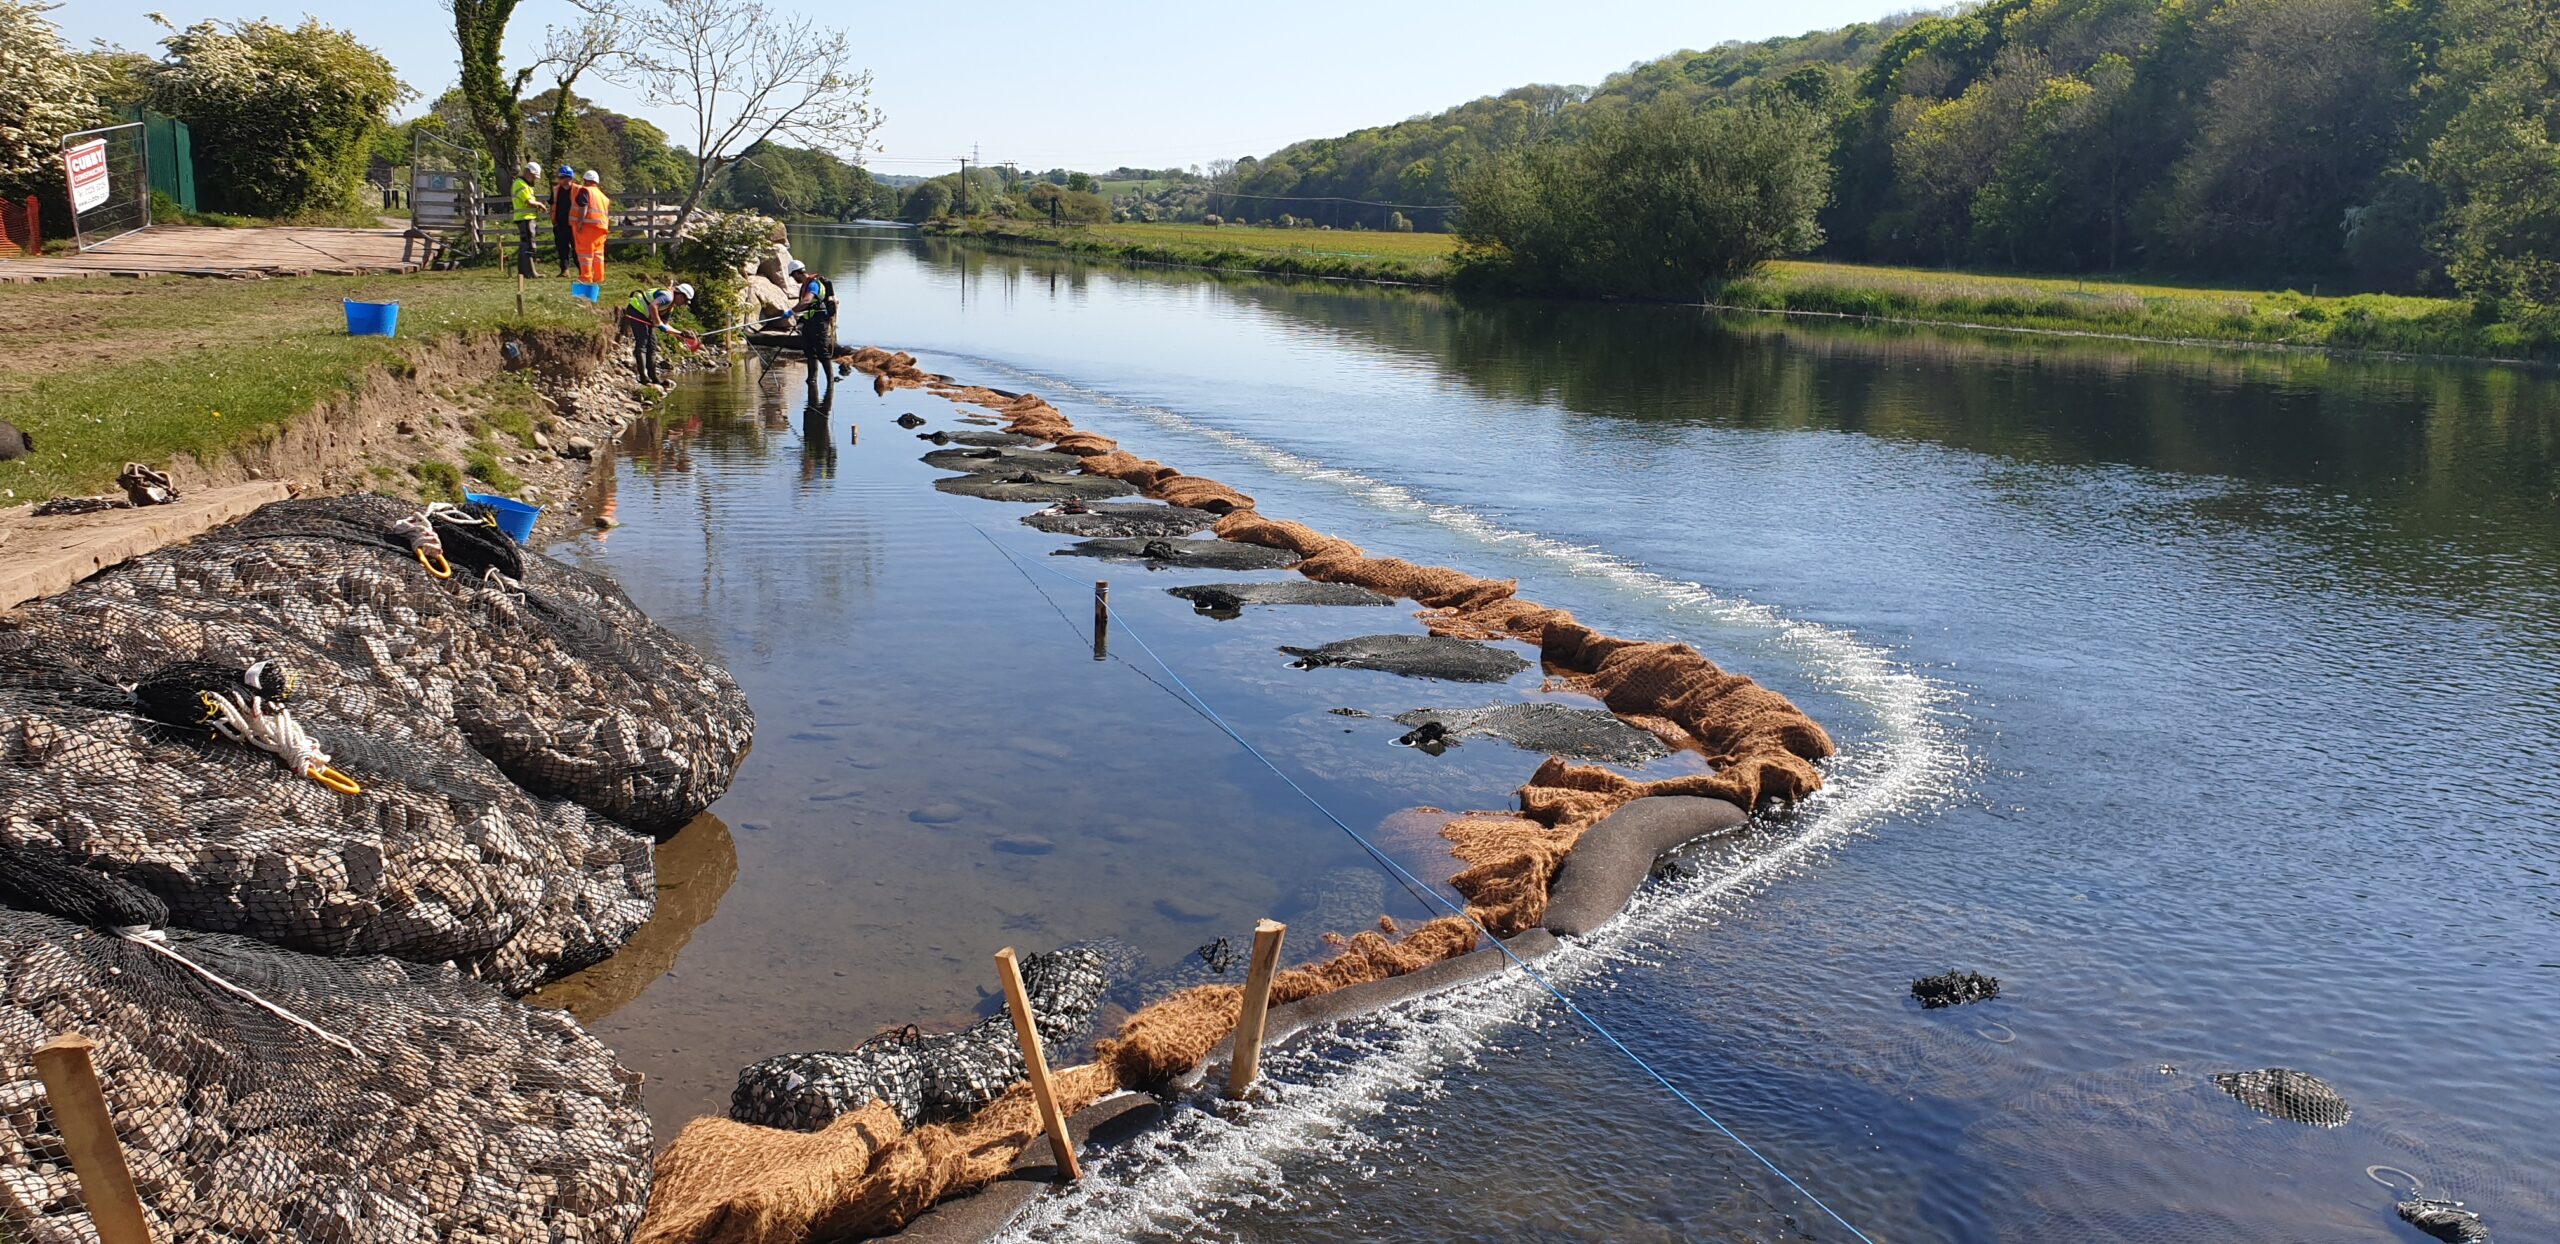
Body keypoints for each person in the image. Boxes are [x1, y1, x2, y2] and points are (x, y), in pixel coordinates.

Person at [621, 282, 696, 389]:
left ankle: (653, 377)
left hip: (646, 316)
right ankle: (644, 377)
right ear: (680, 294)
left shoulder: (670, 307)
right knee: (642, 342)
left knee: (652, 345)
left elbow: (665, 324)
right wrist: (657, 322)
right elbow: (653, 306)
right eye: (685, 300)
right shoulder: (668, 297)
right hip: (636, 310)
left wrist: (680, 334)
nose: (684, 303)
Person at [787, 260, 837, 390]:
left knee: (822, 351)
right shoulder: (805, 285)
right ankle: (812, 379)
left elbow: (807, 300)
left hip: (820, 321)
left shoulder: (814, 284)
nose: (793, 279)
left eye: (793, 275)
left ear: (798, 273)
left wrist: (791, 312)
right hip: (809, 321)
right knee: (809, 350)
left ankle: (830, 381)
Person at [571, 169, 612, 285]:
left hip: (588, 227)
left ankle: (586, 277)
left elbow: (583, 206)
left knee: (585, 254)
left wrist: (579, 222)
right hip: (601, 229)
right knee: (598, 254)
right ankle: (599, 278)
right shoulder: (603, 196)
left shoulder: (585, 191)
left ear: (585, 180)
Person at [509, 162, 543, 280]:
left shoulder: (524, 184)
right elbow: (529, 202)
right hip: (525, 219)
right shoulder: (521, 184)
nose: (534, 179)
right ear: (528, 172)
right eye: (533, 176)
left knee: (526, 245)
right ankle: (529, 273)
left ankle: (524, 272)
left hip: (525, 218)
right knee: (529, 246)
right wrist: (540, 204)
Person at [548, 166, 579, 277]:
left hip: (575, 225)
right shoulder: (556, 190)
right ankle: (565, 270)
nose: (560, 180)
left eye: (563, 177)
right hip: (560, 224)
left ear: (569, 178)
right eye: (560, 177)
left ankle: (582, 271)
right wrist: (553, 221)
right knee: (562, 248)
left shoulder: (578, 190)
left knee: (577, 249)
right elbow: (552, 205)